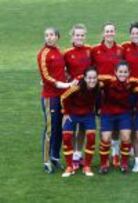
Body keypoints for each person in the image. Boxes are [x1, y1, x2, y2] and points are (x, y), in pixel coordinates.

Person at [37, 27, 75, 173]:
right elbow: (46, 77)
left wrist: (68, 79)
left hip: (62, 97)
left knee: (60, 127)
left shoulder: (59, 52)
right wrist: (65, 84)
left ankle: (55, 156)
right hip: (50, 97)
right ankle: (46, 161)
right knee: (50, 129)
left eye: (52, 35)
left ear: (57, 36)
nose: (49, 38)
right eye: (46, 35)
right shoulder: (43, 54)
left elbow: (63, 70)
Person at [97, 61, 138, 174]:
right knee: (106, 138)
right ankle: (103, 164)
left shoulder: (131, 82)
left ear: (129, 73)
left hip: (124, 113)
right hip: (107, 113)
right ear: (115, 72)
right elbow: (93, 76)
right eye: (120, 72)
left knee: (126, 137)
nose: (123, 74)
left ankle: (124, 164)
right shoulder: (108, 81)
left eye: (125, 72)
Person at [91, 22, 124, 168]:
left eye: (112, 31)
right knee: (103, 124)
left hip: (117, 92)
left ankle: (115, 154)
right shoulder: (95, 50)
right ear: (103, 33)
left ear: (115, 32)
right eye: (107, 31)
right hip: (101, 93)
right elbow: (90, 70)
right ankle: (104, 156)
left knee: (116, 124)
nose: (109, 33)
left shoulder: (121, 50)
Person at [60, 67, 99, 177]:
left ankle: (87, 166)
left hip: (88, 115)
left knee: (91, 137)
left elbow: (98, 99)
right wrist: (66, 112)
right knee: (67, 137)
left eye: (94, 78)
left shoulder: (97, 87)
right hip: (72, 113)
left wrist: (98, 110)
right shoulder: (76, 87)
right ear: (85, 78)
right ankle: (69, 166)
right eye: (89, 78)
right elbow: (63, 97)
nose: (92, 80)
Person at [64, 24, 92, 170]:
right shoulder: (67, 53)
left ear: (85, 36)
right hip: (73, 95)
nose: (80, 37)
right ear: (72, 37)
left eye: (82, 35)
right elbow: (61, 70)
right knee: (73, 126)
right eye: (77, 35)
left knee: (83, 127)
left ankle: (78, 154)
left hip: (87, 95)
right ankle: (74, 155)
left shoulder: (89, 50)